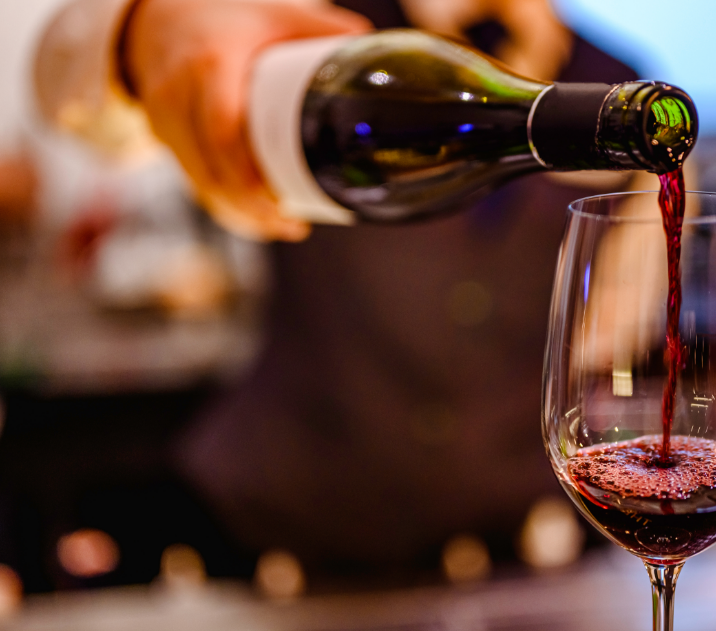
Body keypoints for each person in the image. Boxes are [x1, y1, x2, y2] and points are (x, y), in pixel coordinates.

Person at [34, 0, 644, 579]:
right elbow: (59, 86)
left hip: (516, 561)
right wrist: (145, 27)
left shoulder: (617, 90)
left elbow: (614, 329)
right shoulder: (321, 35)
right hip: (282, 547)